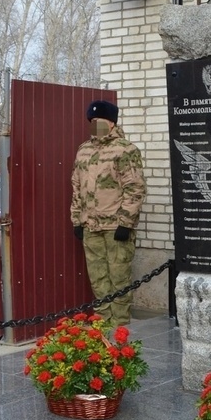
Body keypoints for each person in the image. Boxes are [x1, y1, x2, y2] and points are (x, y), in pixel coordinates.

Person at [70, 100, 146, 325]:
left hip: (115, 227)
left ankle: (120, 324)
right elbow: (76, 186)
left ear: (112, 123)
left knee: (119, 277)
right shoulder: (84, 150)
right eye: (92, 121)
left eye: (100, 121)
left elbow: (135, 188)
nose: (96, 125)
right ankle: (103, 322)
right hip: (91, 225)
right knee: (98, 277)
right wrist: (77, 219)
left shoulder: (125, 149)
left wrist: (125, 223)